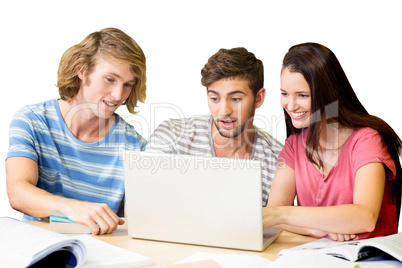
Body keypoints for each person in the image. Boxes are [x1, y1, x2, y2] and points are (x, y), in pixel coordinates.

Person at [6, 28, 147, 235]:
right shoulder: (32, 121)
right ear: (82, 71)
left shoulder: (135, 147)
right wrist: (73, 208)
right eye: (110, 79)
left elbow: (139, 223)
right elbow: (17, 192)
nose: (118, 95)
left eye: (127, 85)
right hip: (40, 250)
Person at [264, 42, 401, 241]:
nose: (290, 105)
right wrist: (316, 229)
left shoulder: (366, 140)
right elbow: (272, 215)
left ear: (327, 94)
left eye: (302, 95)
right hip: (320, 256)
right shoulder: (294, 146)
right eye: (284, 94)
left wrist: (282, 214)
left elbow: (365, 217)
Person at [145, 47, 283, 206]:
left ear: (258, 98)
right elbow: (145, 205)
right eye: (215, 98)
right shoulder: (171, 136)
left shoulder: (279, 159)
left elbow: (279, 225)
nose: (224, 111)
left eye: (236, 99)